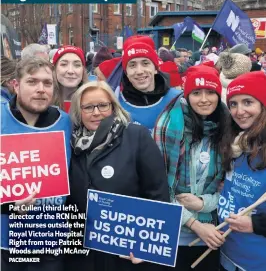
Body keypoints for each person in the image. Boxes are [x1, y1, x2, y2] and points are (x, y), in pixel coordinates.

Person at [64, 81, 169, 271]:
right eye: (88, 107)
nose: (96, 112)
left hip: (126, 249)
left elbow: (158, 193)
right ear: (79, 111)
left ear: (113, 106)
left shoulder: (135, 136)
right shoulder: (70, 143)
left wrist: (146, 245)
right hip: (82, 251)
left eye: (103, 105)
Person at [154, 65, 228, 270]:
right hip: (172, 235)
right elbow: (158, 188)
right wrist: (195, 224)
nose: (204, 99)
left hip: (213, 233)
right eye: (196, 93)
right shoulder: (167, 127)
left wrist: (204, 204)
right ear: (187, 95)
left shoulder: (227, 127)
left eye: (210, 92)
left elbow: (231, 187)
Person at [1, 57, 72, 271]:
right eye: (32, 82)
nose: (41, 89)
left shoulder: (67, 122)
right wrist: (9, 206)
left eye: (47, 83)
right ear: (16, 85)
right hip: (7, 241)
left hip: (51, 242)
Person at [218, 71, 266, 271]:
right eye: (233, 104)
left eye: (248, 102)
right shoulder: (236, 142)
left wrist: (256, 224)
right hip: (227, 253)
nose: (239, 111)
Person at [119, 37, 180, 132]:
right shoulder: (116, 102)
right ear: (126, 72)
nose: (139, 71)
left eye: (145, 63)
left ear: (155, 69)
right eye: (132, 65)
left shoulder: (177, 99)